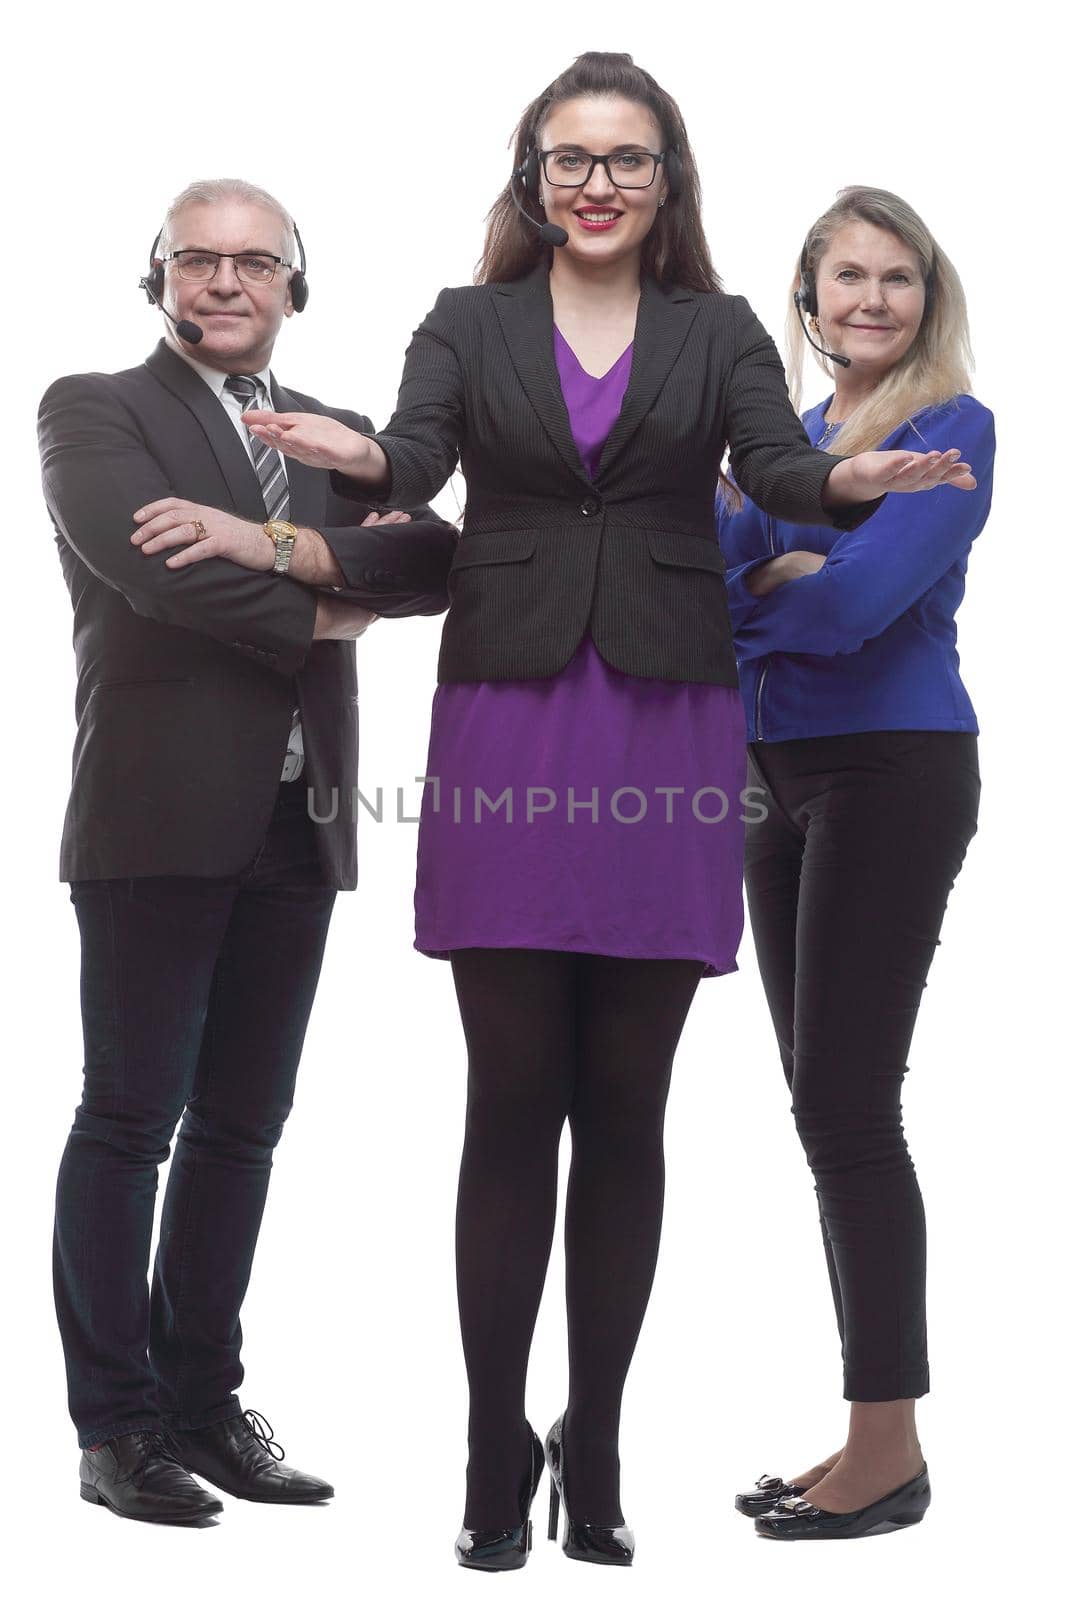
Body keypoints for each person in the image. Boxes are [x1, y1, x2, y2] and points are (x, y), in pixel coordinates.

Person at [233, 56, 973, 1568]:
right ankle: (493, 1443)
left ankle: (602, 1432)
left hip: (670, 723)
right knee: (509, 1100)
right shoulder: (468, 319)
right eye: (569, 159)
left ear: (666, 182)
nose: (596, 183)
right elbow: (421, 456)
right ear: (532, 175)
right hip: (509, 721)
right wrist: (367, 457)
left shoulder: (713, 334)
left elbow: (770, 462)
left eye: (627, 161)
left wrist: (846, 483)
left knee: (628, 1109)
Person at [39, 177, 456, 1526]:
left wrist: (314, 553)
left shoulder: (326, 434)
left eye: (254, 263)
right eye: (197, 261)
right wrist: (331, 598)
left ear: (294, 285)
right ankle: (116, 1431)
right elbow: (153, 570)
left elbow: (438, 562)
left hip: (300, 816)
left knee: (242, 1128)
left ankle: (205, 1405)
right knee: (128, 1120)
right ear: (157, 277)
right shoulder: (96, 408)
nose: (225, 283)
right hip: (157, 813)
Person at [718, 187, 994, 1540]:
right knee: (822, 1107)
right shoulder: (784, 450)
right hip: (769, 785)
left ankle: (887, 1449)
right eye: (846, 278)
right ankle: (867, 1438)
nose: (870, 301)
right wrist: (773, 584)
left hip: (894, 771)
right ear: (810, 298)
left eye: (896, 279)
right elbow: (700, 595)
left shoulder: (951, 432)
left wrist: (778, 585)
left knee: (846, 1106)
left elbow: (856, 606)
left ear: (923, 299)